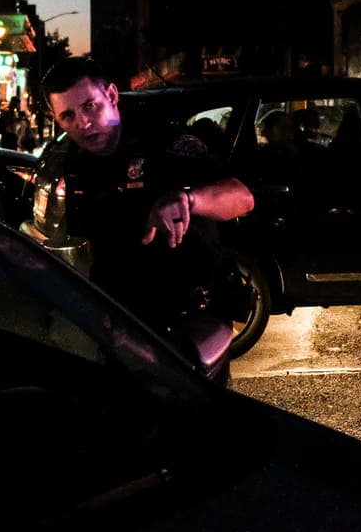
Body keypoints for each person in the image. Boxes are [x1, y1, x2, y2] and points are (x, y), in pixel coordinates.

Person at [42, 56, 255, 337]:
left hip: (189, 321)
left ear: (112, 95)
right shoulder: (78, 164)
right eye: (67, 115)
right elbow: (92, 246)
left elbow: (243, 197)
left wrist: (188, 200)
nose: (83, 123)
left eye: (89, 106)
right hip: (125, 326)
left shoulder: (161, 139)